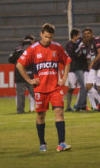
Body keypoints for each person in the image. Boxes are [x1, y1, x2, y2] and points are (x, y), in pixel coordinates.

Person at [16, 23, 71, 152]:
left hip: (55, 88)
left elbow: (68, 61)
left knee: (59, 112)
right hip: (40, 89)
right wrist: (29, 80)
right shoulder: (33, 48)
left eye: (50, 37)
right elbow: (19, 64)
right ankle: (42, 143)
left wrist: (64, 78)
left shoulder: (57, 47)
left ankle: (61, 143)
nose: (48, 40)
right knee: (40, 116)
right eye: (46, 36)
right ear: (41, 34)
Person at [77, 28, 100, 111]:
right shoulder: (86, 44)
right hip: (94, 67)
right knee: (88, 86)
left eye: (88, 33)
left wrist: (92, 62)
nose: (86, 35)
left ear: (92, 34)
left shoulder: (96, 40)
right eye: (85, 34)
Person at [9, 35, 35, 114]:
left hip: (19, 75)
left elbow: (10, 59)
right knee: (35, 92)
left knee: (20, 94)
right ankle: (42, 108)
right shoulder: (32, 50)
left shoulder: (17, 50)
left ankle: (20, 110)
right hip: (30, 74)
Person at [65, 28, 88, 111]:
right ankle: (70, 107)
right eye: (78, 35)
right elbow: (73, 55)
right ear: (74, 36)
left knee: (82, 86)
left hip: (78, 68)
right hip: (72, 68)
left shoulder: (78, 44)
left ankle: (79, 105)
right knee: (72, 88)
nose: (79, 37)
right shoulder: (69, 44)